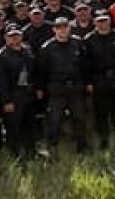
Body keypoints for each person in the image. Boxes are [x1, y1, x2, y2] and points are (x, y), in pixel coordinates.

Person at [38, 17, 89, 154]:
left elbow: (85, 65)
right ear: (54, 29)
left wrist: (87, 83)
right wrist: (41, 88)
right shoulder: (47, 48)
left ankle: (82, 145)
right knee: (55, 119)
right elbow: (42, 71)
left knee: (79, 117)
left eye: (65, 27)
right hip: (56, 88)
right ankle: (52, 146)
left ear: (69, 27)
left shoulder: (78, 43)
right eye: (59, 27)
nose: (62, 30)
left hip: (76, 87)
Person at [85, 12, 115, 147]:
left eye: (105, 20)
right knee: (101, 109)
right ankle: (103, 137)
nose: (103, 23)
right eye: (99, 21)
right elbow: (85, 64)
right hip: (98, 80)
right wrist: (88, 82)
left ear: (110, 21)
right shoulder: (89, 40)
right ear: (94, 22)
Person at [0, 24, 38, 159]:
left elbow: (33, 71)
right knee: (14, 128)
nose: (15, 38)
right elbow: (0, 82)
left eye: (17, 35)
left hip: (28, 94)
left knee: (29, 125)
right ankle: (15, 154)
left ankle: (31, 151)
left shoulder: (27, 50)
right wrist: (6, 101)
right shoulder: (1, 56)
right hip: (13, 96)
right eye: (11, 36)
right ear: (6, 38)